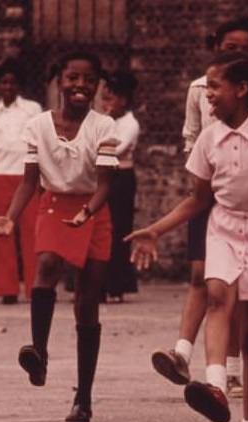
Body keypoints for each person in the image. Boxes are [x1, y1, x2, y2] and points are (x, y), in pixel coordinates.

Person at [127, 52, 248, 422]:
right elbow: (198, 199)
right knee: (217, 296)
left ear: (241, 89)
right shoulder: (208, 138)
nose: (207, 95)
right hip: (223, 226)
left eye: (214, 86)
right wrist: (156, 229)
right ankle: (216, 387)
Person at [0, 51, 119, 422]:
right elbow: (29, 181)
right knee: (45, 265)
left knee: (87, 304)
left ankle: (83, 399)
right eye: (72, 77)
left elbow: (106, 185)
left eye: (88, 79)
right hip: (53, 205)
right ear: (58, 81)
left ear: (97, 86)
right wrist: (11, 218)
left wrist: (87, 212)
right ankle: (39, 353)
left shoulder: (104, 126)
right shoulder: (38, 126)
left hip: (93, 211)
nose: (80, 85)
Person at [154, 16, 248, 397]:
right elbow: (191, 133)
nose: (236, 52)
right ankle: (183, 353)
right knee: (203, 276)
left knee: (238, 289)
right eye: (229, 47)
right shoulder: (199, 89)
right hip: (211, 189)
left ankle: (234, 369)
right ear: (216, 47)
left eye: (244, 47)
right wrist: (205, 169)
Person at [0, 58, 42, 304]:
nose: (8, 87)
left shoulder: (33, 109)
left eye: (12, 82)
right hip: (0, 173)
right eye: (3, 82)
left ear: (19, 85)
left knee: (32, 230)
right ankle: (6, 288)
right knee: (1, 229)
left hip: (27, 175)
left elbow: (39, 139)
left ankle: (35, 287)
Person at [101, 70, 140, 303]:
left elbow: (115, 149)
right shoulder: (104, 121)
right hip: (103, 175)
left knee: (118, 229)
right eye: (103, 99)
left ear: (123, 100)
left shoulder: (130, 123)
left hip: (121, 178)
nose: (105, 104)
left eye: (110, 99)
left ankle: (116, 285)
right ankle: (98, 284)